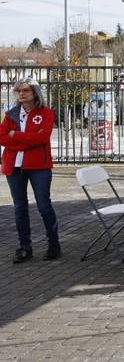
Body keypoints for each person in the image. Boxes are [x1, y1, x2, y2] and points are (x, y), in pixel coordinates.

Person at [0, 77, 61, 263]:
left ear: (35, 92)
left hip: (39, 167)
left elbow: (42, 138)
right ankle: (24, 246)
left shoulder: (47, 113)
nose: (21, 93)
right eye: (18, 90)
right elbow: (2, 136)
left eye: (25, 90)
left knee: (44, 205)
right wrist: (25, 144)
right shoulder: (11, 114)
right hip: (14, 167)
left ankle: (54, 244)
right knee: (20, 208)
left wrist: (17, 135)